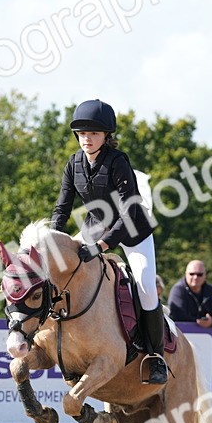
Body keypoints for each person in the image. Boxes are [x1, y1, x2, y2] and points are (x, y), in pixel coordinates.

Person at [50, 98, 167, 384]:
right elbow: (62, 207)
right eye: (82, 133)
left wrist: (103, 246)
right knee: (63, 271)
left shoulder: (118, 162)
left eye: (93, 133)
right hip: (95, 227)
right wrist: (52, 238)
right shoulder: (74, 164)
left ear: (106, 136)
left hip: (132, 230)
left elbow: (129, 211)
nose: (86, 139)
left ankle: (155, 357)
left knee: (146, 288)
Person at [168, 260, 212, 330]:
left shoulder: (211, 291)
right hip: (182, 333)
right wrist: (198, 321)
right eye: (192, 274)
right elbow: (177, 315)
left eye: (199, 274)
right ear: (186, 274)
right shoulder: (178, 291)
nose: (195, 277)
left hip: (206, 335)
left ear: (205, 275)